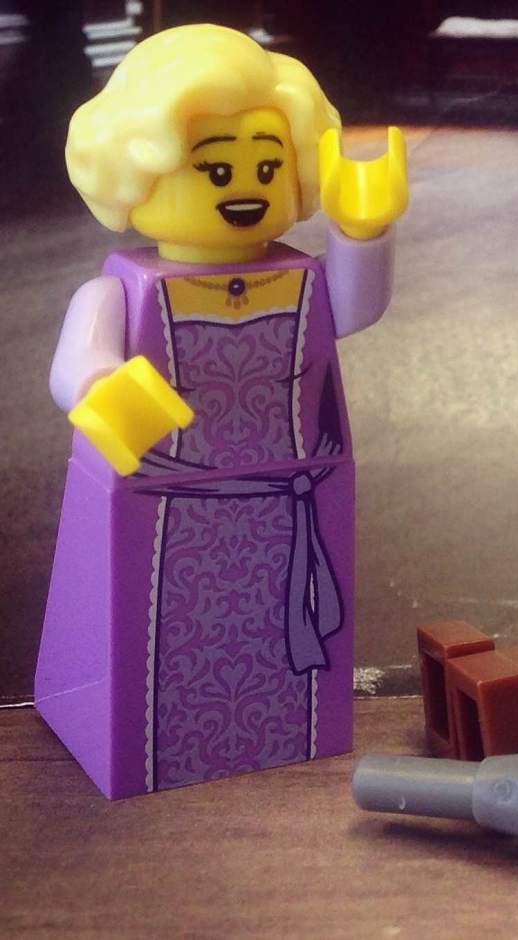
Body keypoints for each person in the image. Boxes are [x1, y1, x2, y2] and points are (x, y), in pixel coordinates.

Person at [34, 23, 407, 799]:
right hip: (162, 505)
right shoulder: (120, 289)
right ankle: (157, 746)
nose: (245, 187)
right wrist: (105, 388)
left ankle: (285, 732)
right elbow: (77, 364)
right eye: (213, 167)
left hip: (292, 496)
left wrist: (361, 229)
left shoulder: (298, 277)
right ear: (135, 168)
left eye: (269, 166)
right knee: (157, 635)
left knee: (275, 633)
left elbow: (355, 307)